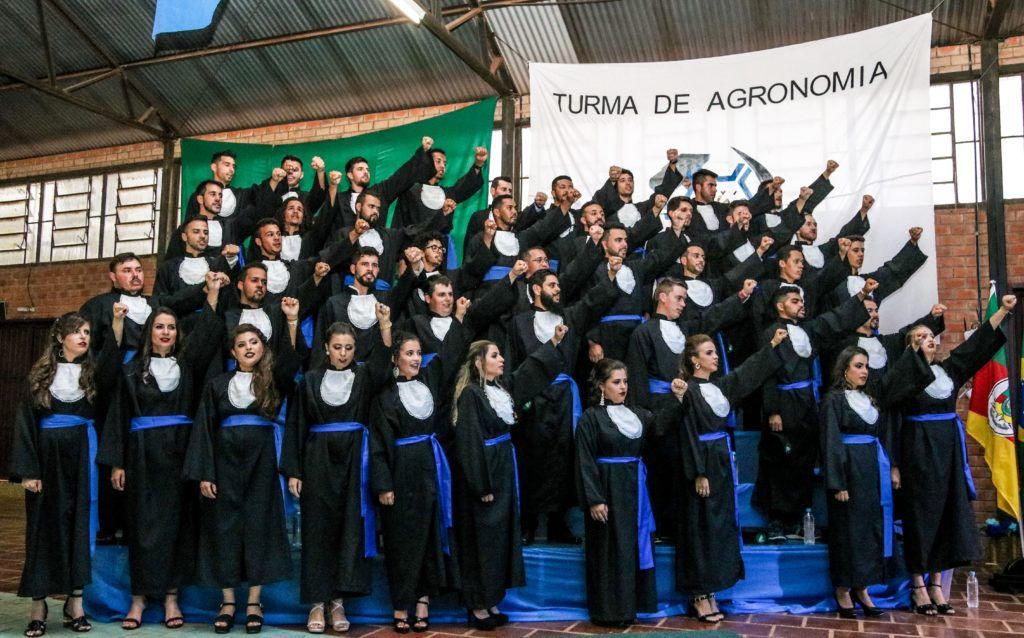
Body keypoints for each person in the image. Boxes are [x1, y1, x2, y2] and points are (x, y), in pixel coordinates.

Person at [97, 274, 225, 629]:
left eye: (171, 327)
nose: (166, 332)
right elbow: (119, 416)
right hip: (140, 457)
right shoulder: (130, 372)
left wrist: (212, 294)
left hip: (180, 456)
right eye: (160, 327)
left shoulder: (187, 367)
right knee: (140, 527)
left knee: (179, 527)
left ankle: (171, 598)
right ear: (149, 332)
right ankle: (138, 600)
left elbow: (209, 334)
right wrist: (117, 463)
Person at [183, 299, 303, 634]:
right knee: (223, 531)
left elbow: (291, 363)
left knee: (259, 529)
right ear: (232, 352)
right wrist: (205, 472)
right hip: (223, 467)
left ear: (263, 348)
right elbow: (204, 429)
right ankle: (227, 602)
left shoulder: (273, 381)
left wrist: (292, 322)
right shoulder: (216, 385)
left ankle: (254, 602)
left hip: (262, 465)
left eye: (254, 343)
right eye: (241, 344)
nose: (248, 348)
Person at [893, 295, 1016, 616]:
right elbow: (891, 418)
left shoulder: (949, 370)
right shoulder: (902, 376)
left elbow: (976, 347)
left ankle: (937, 584)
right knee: (921, 517)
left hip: (948, 452)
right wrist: (894, 465)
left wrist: (1002, 310)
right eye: (920, 337)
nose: (928, 340)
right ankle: (918, 585)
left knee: (947, 514)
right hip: (918, 452)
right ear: (909, 347)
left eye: (930, 336)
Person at [11, 306, 124, 637]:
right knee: (43, 528)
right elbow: (24, 424)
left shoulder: (93, 374)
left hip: (83, 457)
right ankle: (38, 603)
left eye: (88, 332)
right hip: (46, 460)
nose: (84, 337)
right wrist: (29, 471)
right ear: (60, 338)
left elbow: (113, 364)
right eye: (77, 332)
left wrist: (116, 322)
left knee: (80, 525)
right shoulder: (39, 377)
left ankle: (75, 601)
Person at [281, 311, 394, 634]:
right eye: (337, 347)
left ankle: (339, 602)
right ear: (326, 348)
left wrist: (385, 326)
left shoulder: (364, 377)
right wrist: (294, 471)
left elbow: (385, 368)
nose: (343, 353)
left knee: (349, 530)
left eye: (348, 347)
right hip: (318, 461)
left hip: (354, 461)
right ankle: (317, 602)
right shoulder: (310, 381)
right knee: (318, 530)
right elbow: (296, 426)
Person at [453, 330, 568, 629]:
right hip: (486, 475)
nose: (501, 359)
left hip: (504, 469)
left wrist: (553, 344)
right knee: (481, 540)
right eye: (494, 355)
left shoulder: (501, 390)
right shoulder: (471, 395)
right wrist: (482, 485)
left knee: (499, 538)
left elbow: (529, 371)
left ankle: (492, 599)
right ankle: (477, 604)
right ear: (479, 362)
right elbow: (468, 442)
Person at [507, 264, 627, 544]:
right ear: (536, 289)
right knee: (532, 458)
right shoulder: (519, 322)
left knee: (563, 461)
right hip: (532, 400)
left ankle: (558, 523)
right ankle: (529, 523)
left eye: (558, 286)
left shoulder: (569, 316)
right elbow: (512, 363)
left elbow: (592, 301)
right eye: (551, 286)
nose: (557, 290)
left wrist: (609, 275)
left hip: (564, 400)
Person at [674, 330, 788, 622]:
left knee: (719, 526)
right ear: (695, 360)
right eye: (709, 353)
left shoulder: (719, 387)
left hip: (722, 461)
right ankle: (699, 593)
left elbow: (747, 372)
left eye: (715, 352)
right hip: (702, 462)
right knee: (700, 526)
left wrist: (772, 345)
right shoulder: (686, 390)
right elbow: (687, 434)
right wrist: (699, 472)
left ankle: (713, 590)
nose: (715, 357)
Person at [753, 280, 877, 541]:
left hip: (807, 405)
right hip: (784, 406)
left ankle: (798, 519)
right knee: (779, 463)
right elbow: (767, 374)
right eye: (795, 301)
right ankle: (776, 522)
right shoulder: (771, 333)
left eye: (802, 301)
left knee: (803, 462)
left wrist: (862, 295)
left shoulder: (808, 329)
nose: (801, 305)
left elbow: (834, 319)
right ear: (780, 306)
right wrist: (773, 410)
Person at [819, 344, 929, 618]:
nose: (864, 371)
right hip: (848, 471)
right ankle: (843, 588)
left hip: (871, 469)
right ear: (844, 370)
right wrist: (838, 482)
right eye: (858, 366)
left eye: (866, 366)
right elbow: (830, 442)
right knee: (848, 532)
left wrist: (912, 353)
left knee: (869, 531)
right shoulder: (833, 400)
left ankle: (863, 588)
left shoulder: (871, 399)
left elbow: (895, 381)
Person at [574, 359, 685, 627]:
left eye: (625, 381)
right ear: (602, 386)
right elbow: (584, 460)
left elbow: (659, 426)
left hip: (634, 491)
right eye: (616, 382)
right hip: (607, 490)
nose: (623, 387)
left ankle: (629, 607)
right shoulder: (591, 418)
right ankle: (607, 611)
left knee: (630, 547)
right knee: (608, 549)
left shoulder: (636, 414)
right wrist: (595, 499)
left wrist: (676, 398)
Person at [370, 331, 466, 633]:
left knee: (428, 538)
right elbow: (377, 444)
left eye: (417, 353)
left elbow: (450, 353)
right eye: (409, 353)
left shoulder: (428, 385)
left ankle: (422, 602)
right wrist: (384, 484)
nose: (414, 358)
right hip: (400, 473)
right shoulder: (384, 395)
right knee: (400, 543)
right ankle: (401, 605)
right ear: (396, 357)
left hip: (429, 470)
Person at [392, 146, 487, 230]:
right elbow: (399, 224)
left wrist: (478, 165)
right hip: (414, 246)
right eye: (438, 161)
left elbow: (465, 186)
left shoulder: (447, 194)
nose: (443, 166)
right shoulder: (410, 191)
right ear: (427, 163)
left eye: (445, 163)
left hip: (441, 246)